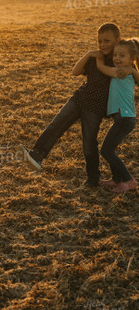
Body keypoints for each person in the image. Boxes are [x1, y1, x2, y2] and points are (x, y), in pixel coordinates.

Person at [20, 23, 133, 187]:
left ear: (118, 40)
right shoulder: (95, 58)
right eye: (100, 41)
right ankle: (37, 154)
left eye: (107, 41)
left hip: (95, 108)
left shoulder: (120, 61)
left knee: (88, 143)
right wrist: (88, 54)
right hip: (79, 99)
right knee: (56, 125)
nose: (102, 45)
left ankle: (93, 179)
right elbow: (75, 71)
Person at [97, 39, 139, 193]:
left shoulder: (121, 72)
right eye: (115, 55)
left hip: (125, 118)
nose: (117, 58)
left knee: (106, 150)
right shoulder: (127, 71)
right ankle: (116, 180)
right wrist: (134, 71)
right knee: (110, 149)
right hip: (124, 118)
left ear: (131, 59)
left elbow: (101, 67)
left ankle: (128, 180)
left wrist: (97, 56)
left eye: (122, 55)